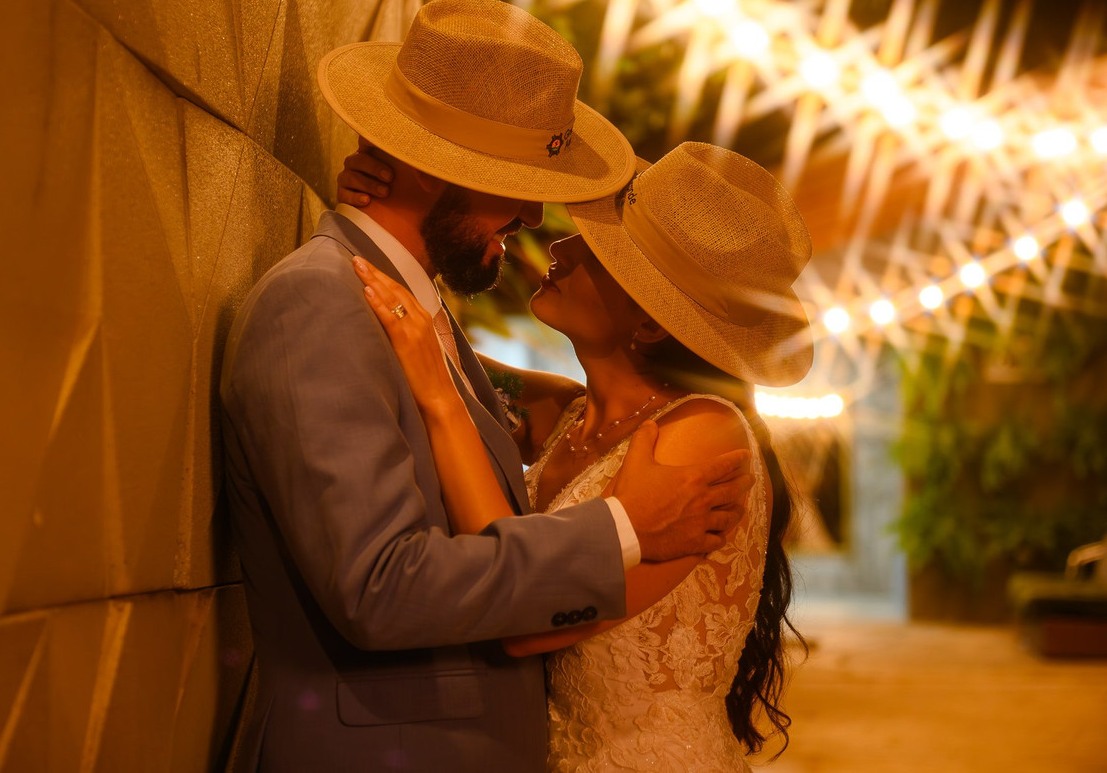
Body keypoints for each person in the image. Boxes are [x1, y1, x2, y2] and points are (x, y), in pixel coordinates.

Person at [219, 0, 754, 772]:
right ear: (432, 172)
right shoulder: (318, 305)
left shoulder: (413, 317)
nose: (536, 215)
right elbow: (381, 586)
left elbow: (474, 400)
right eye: (510, 182)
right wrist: (625, 527)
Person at [348, 141, 813, 771]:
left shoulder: (704, 437)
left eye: (596, 251)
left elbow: (520, 619)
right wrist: (393, 214)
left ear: (650, 323)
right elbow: (433, 346)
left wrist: (439, 401)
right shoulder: (565, 413)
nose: (560, 246)